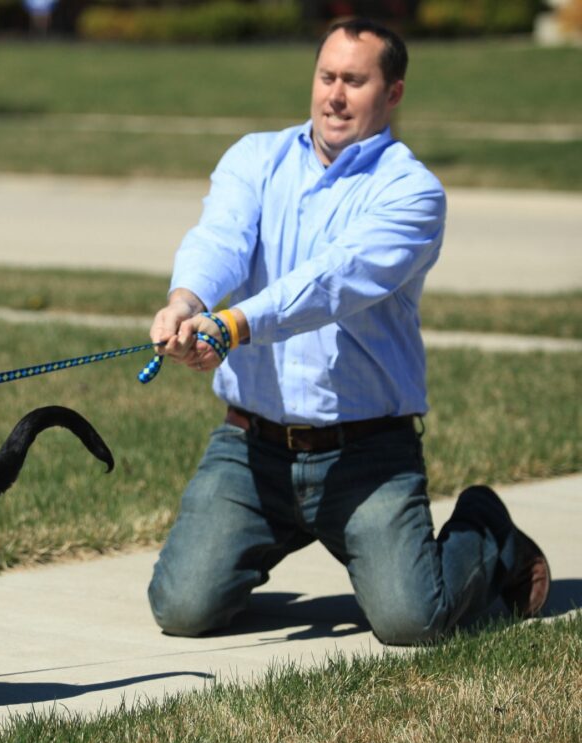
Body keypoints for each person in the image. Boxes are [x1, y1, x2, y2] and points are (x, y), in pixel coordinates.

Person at [146, 18, 550, 645]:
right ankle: (259, 538)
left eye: (355, 81)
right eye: (326, 76)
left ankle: (486, 529)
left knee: (414, 621)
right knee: (181, 609)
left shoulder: (412, 192)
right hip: (253, 447)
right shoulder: (256, 157)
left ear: (392, 94)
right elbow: (221, 239)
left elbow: (335, 280)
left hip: (368, 455)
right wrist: (185, 300)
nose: (334, 94)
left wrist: (234, 323)